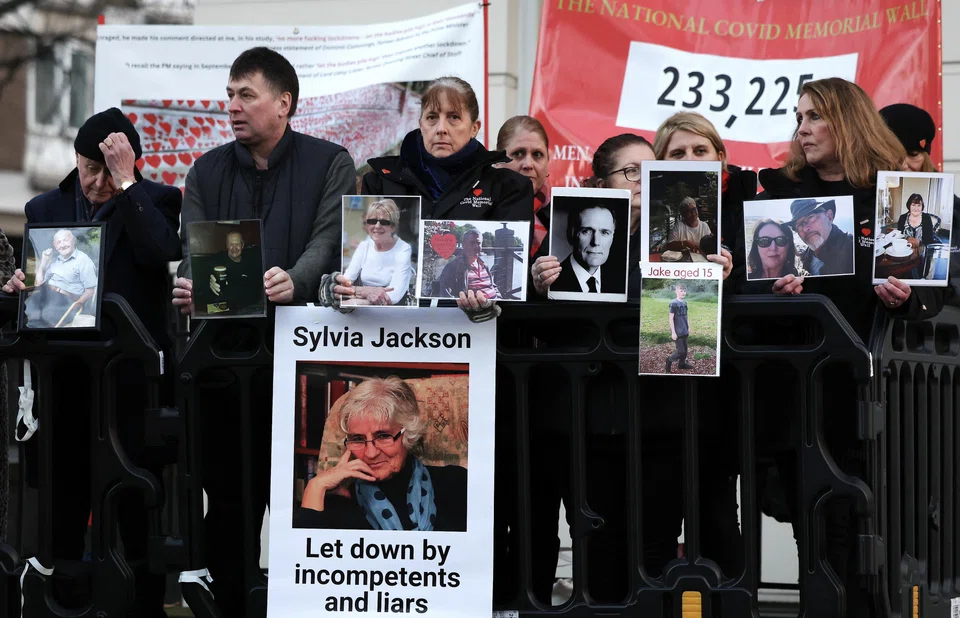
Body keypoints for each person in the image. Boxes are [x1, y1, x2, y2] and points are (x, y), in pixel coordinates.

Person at [745, 77, 946, 618]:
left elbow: (936, 294)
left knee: (874, 538)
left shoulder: (897, 195)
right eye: (799, 118)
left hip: (882, 400)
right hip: (801, 395)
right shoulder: (778, 198)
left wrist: (909, 298)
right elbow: (746, 286)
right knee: (817, 539)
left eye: (815, 116)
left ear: (848, 120)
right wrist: (773, 291)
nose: (803, 129)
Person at [169, 46, 356, 616]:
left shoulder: (331, 162)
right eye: (229, 95)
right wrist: (190, 285)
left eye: (246, 95)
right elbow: (194, 252)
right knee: (231, 505)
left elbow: (330, 240)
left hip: (308, 376)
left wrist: (295, 280)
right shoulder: (205, 171)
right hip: (227, 376)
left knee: (311, 505)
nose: (232, 106)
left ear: (284, 103)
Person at [2, 107, 182, 617]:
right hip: (66, 386)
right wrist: (19, 291)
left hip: (131, 387)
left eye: (110, 170)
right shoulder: (44, 208)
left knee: (137, 509)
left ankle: (144, 606)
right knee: (62, 508)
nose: (98, 182)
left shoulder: (158, 200)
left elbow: (160, 252)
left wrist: (128, 186)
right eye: (90, 169)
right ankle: (63, 602)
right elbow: (36, 296)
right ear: (76, 160)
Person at [322, 76, 533, 322]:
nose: (441, 128)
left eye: (453, 117)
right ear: (420, 124)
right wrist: (340, 289)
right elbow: (349, 274)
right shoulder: (381, 181)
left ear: (475, 127)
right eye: (432, 117)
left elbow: (512, 278)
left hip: (470, 337)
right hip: (392, 333)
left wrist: (488, 305)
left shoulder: (508, 187)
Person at [295, 377, 467, 532]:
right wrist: (315, 487)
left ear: (408, 434)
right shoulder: (337, 503)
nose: (370, 453)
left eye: (383, 436)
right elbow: (304, 554)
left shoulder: (456, 484)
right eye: (358, 439)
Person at [494, 115, 551, 256]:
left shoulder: (562, 216)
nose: (528, 164)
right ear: (497, 160)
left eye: (537, 154)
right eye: (518, 153)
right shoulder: (478, 208)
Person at [341, 199, 413, 306]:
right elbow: (346, 281)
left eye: (384, 222)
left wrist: (358, 301)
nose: (377, 226)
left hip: (390, 310)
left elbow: (394, 296)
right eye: (372, 221)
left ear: (393, 226)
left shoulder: (403, 249)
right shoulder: (364, 246)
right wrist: (361, 293)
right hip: (363, 304)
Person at [22, 229, 98, 328]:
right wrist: (43, 263)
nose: (62, 245)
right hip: (46, 294)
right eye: (58, 242)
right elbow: (38, 283)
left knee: (43, 316)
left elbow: (90, 290)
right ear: (55, 246)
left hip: (66, 300)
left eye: (65, 240)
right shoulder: (55, 260)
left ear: (73, 240)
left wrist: (78, 303)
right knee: (26, 310)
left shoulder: (83, 260)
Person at [192, 228, 264, 316]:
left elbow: (255, 291)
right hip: (222, 309)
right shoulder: (218, 259)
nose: (234, 248)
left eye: (237, 244)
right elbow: (203, 273)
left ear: (242, 245)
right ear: (227, 245)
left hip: (246, 309)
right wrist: (209, 282)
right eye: (231, 244)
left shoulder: (250, 263)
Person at [550, 202, 618, 294]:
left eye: (605, 232)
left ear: (612, 237)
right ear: (571, 234)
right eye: (586, 231)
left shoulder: (618, 282)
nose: (596, 242)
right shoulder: (552, 282)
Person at [785, 198, 854, 276]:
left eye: (810, 217)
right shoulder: (803, 259)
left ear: (829, 216)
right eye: (799, 225)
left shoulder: (852, 250)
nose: (805, 228)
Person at [432, 229, 500, 299]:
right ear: (464, 245)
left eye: (478, 243)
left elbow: (493, 287)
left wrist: (500, 299)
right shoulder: (453, 267)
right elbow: (446, 297)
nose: (476, 246)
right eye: (472, 243)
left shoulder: (484, 265)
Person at [665, 282, 691, 372]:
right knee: (680, 351)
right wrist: (673, 332)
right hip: (677, 331)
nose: (683, 292)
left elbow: (686, 316)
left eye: (684, 291)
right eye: (681, 290)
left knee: (685, 351)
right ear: (676, 292)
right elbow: (671, 318)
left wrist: (688, 327)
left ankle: (682, 364)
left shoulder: (685, 303)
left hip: (684, 330)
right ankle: (669, 360)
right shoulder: (673, 303)